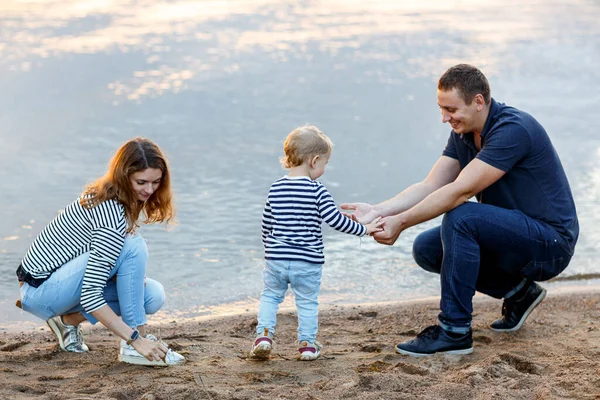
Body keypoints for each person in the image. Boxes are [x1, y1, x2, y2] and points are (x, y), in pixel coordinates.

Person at [342, 64, 578, 356]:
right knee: (427, 247)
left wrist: (400, 223)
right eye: (441, 109)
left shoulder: (513, 129)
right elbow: (430, 185)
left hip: (551, 245)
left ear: (478, 101)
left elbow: (460, 191)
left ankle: (454, 330)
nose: (444, 118)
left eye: (450, 109)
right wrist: (379, 212)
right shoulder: (465, 133)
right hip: (515, 237)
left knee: (461, 216)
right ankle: (520, 293)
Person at [16, 137, 185, 366]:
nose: (149, 190)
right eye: (141, 182)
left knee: (152, 295)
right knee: (134, 245)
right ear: (124, 177)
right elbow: (90, 294)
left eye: (156, 182)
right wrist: (136, 339)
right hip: (42, 290)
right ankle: (135, 344)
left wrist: (129, 279)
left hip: (62, 283)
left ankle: (67, 322)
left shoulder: (121, 197)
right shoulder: (111, 213)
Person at [250, 125, 383, 361]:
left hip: (276, 259)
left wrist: (269, 250)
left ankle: (264, 337)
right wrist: (364, 230)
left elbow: (266, 224)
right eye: (325, 163)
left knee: (270, 297)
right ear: (314, 160)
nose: (324, 168)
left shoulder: (276, 188)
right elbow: (336, 221)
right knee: (307, 303)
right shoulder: (317, 191)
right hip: (307, 262)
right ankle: (307, 345)